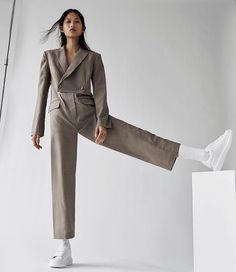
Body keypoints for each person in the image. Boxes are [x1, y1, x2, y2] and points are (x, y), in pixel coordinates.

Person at [30, 8, 233, 268]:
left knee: (136, 137)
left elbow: (101, 91)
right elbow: (41, 92)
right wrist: (37, 127)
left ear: (82, 28)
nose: (72, 25)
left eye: (77, 21)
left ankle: (204, 155)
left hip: (87, 113)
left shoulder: (92, 58)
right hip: (58, 114)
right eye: (67, 22)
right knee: (61, 176)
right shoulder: (48, 57)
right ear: (60, 28)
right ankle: (63, 246)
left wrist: (102, 121)